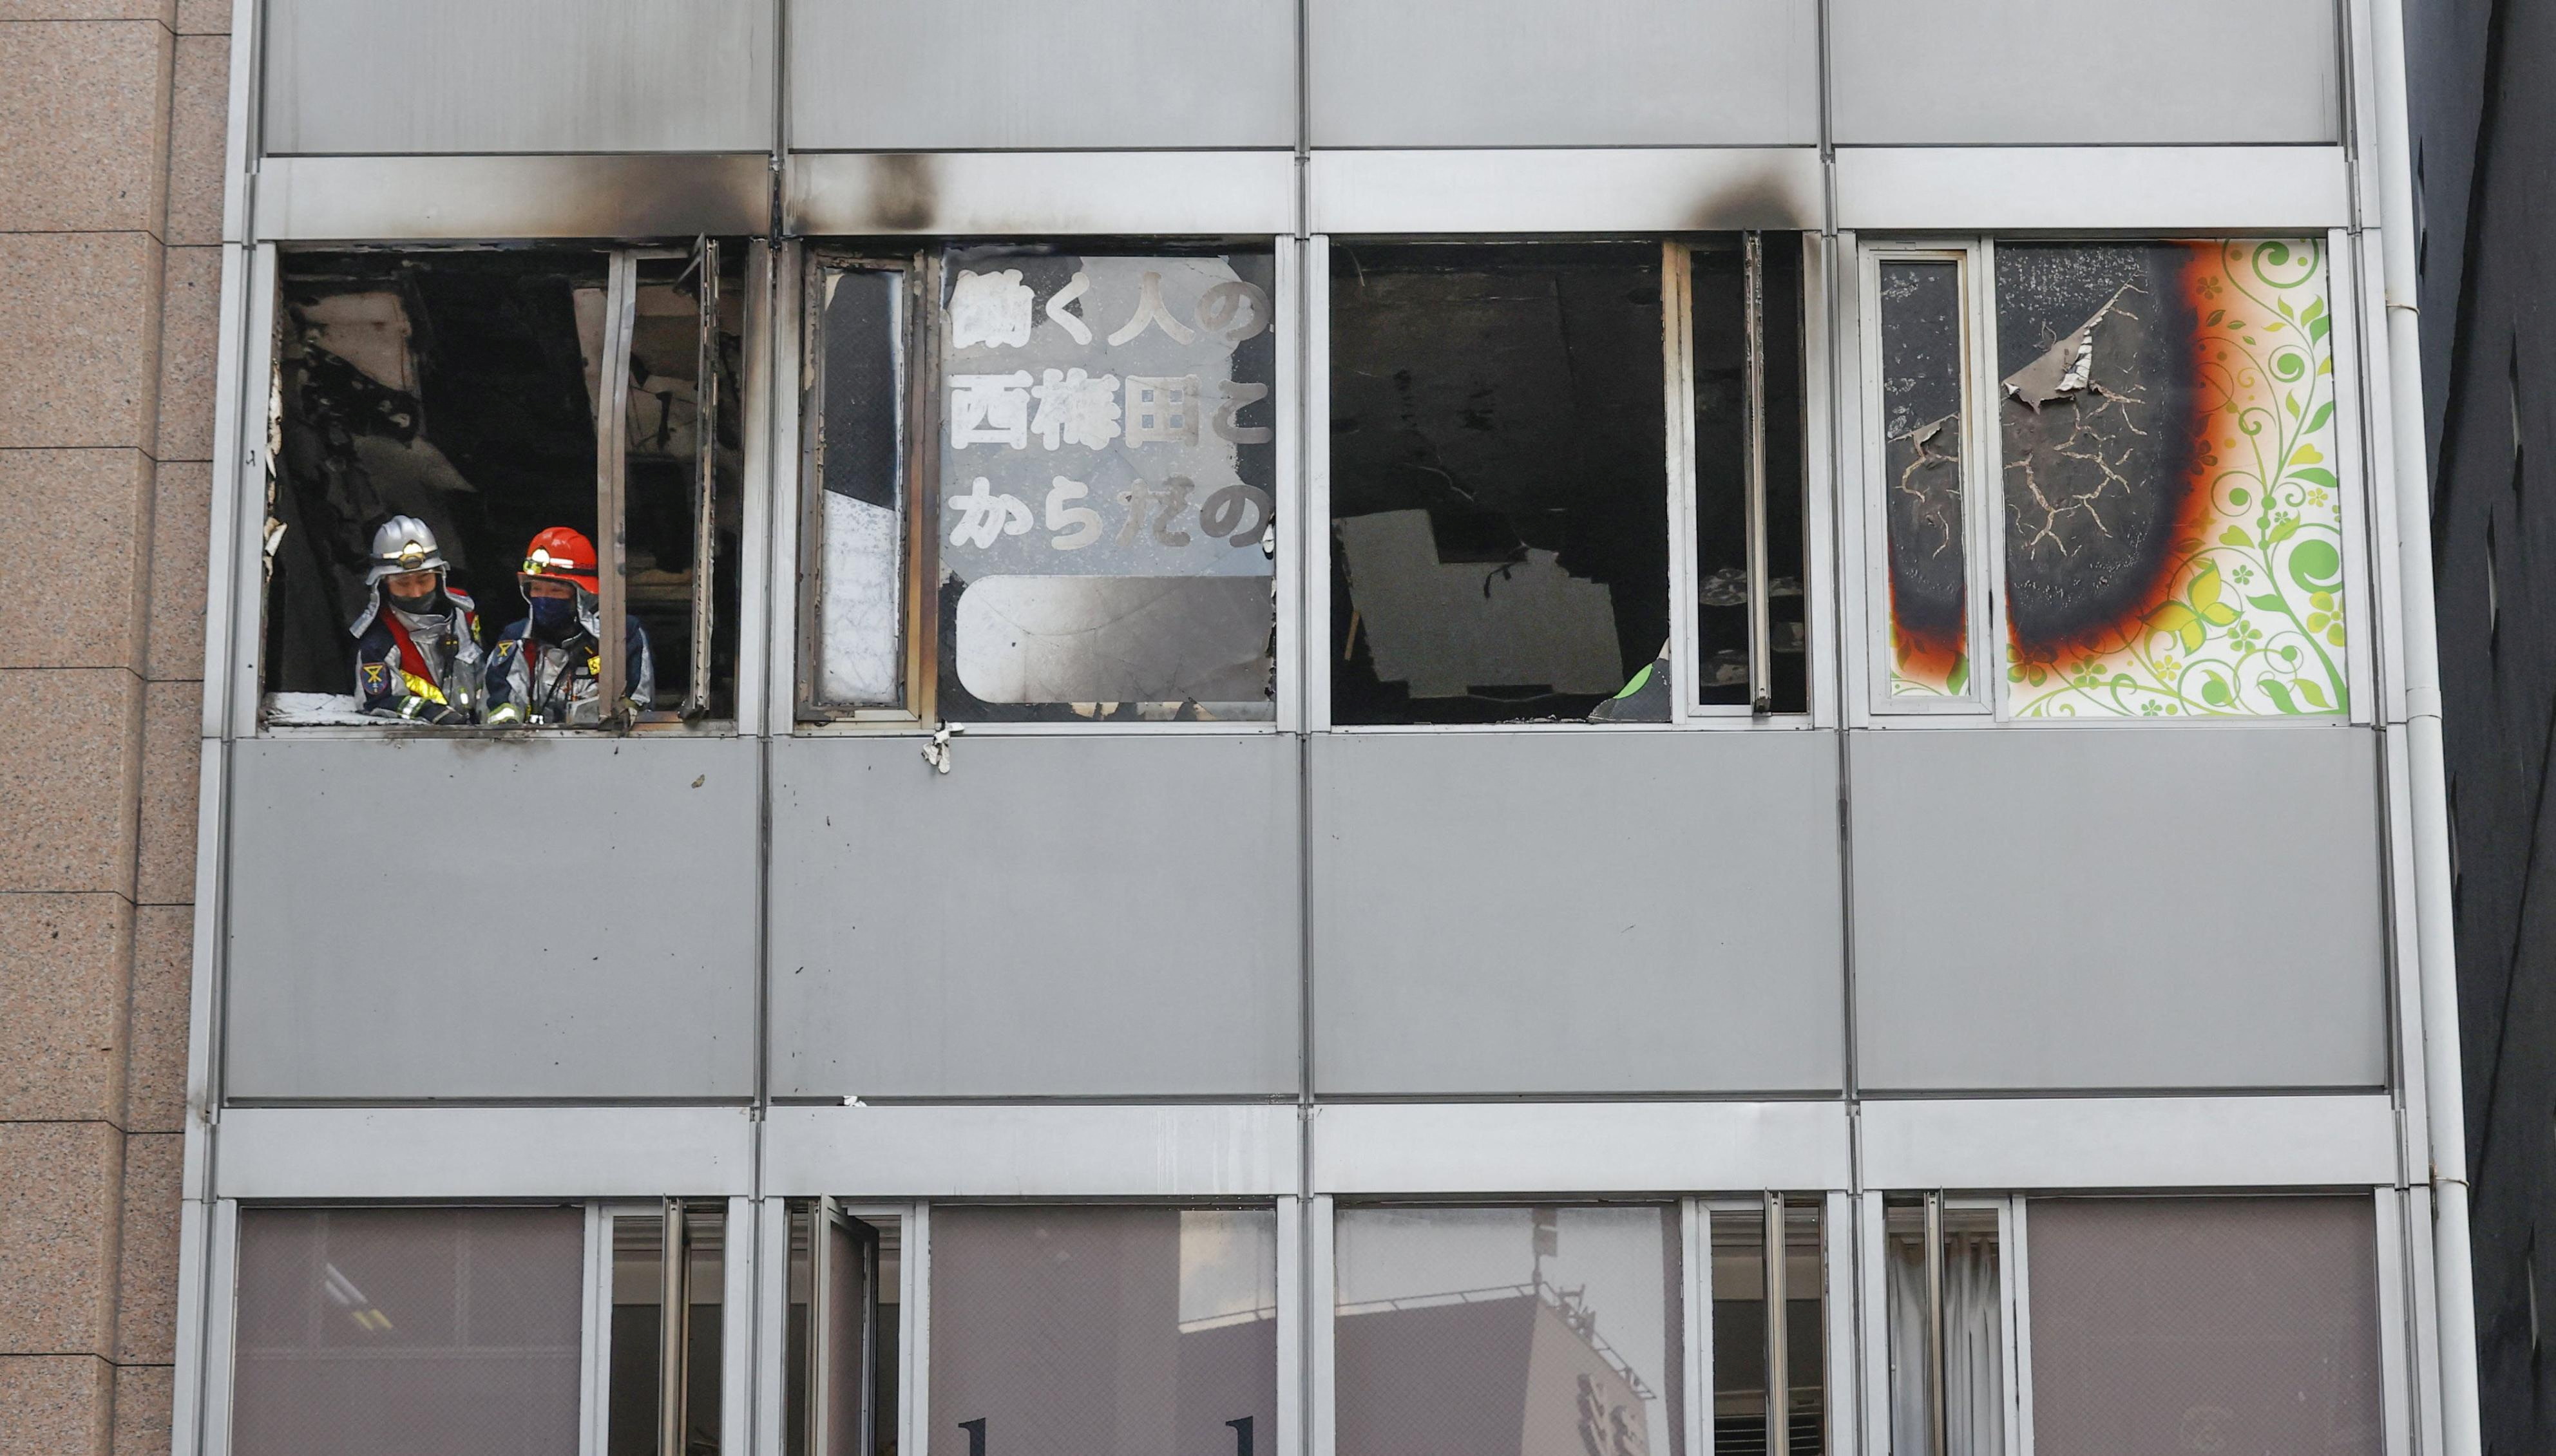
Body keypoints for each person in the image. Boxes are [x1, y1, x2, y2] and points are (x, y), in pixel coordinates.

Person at [482, 526, 654, 726]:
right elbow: (499, 703)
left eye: (555, 591)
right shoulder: (516, 640)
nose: (544, 599)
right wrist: (509, 726)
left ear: (581, 595)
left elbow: (638, 704)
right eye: (537, 589)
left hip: (604, 744)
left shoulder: (622, 636)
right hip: (530, 744)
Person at [351, 515, 483, 724]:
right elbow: (378, 700)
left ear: (440, 575)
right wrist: (429, 712)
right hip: (418, 738)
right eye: (403, 583)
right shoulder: (378, 640)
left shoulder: (464, 612)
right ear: (383, 583)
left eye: (424, 579)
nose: (415, 593)